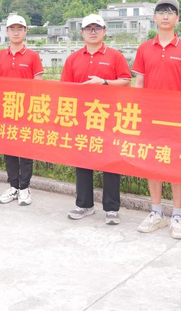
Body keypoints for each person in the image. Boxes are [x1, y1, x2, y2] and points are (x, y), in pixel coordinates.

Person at [132, 0, 181, 239]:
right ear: (154, 17)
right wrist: (138, 112)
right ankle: (156, 212)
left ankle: (177, 215)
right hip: (150, 117)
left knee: (176, 164)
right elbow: (139, 83)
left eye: (170, 12)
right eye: (161, 12)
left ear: (177, 18)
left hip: (178, 118)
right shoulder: (144, 49)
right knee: (153, 162)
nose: (165, 16)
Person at [61, 14, 132, 225]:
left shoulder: (115, 56)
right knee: (83, 162)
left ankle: (111, 208)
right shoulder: (73, 58)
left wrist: (104, 83)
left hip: (109, 117)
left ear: (104, 31)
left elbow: (126, 81)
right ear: (82, 33)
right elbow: (65, 88)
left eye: (97, 28)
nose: (93, 32)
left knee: (110, 162)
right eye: (89, 28)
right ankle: (84, 204)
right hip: (82, 118)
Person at [0, 14, 44, 206]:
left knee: (26, 151)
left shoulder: (32, 56)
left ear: (25, 32)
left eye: (19, 29)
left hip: (26, 110)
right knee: (9, 150)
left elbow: (38, 84)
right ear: (7, 31)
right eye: (12, 29)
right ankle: (13, 186)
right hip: (6, 109)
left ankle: (24, 188)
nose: (16, 32)